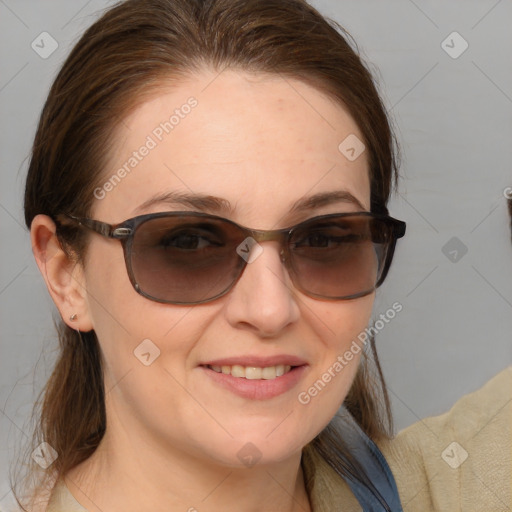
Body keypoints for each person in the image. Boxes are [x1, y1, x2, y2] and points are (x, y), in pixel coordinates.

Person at [11, 0, 510, 511]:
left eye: (322, 239)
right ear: (66, 273)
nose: (270, 309)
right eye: (190, 242)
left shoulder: (459, 488)